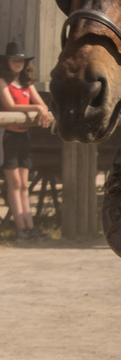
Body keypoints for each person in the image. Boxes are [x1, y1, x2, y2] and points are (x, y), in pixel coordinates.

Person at [1, 43, 52, 240]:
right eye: (14, 60)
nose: (17, 63)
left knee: (24, 183)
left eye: (20, 60)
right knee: (14, 183)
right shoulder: (3, 82)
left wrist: (40, 108)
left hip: (23, 136)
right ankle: (20, 228)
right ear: (7, 62)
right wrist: (36, 109)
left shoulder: (26, 83)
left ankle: (30, 227)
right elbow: (11, 106)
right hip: (8, 136)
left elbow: (42, 104)